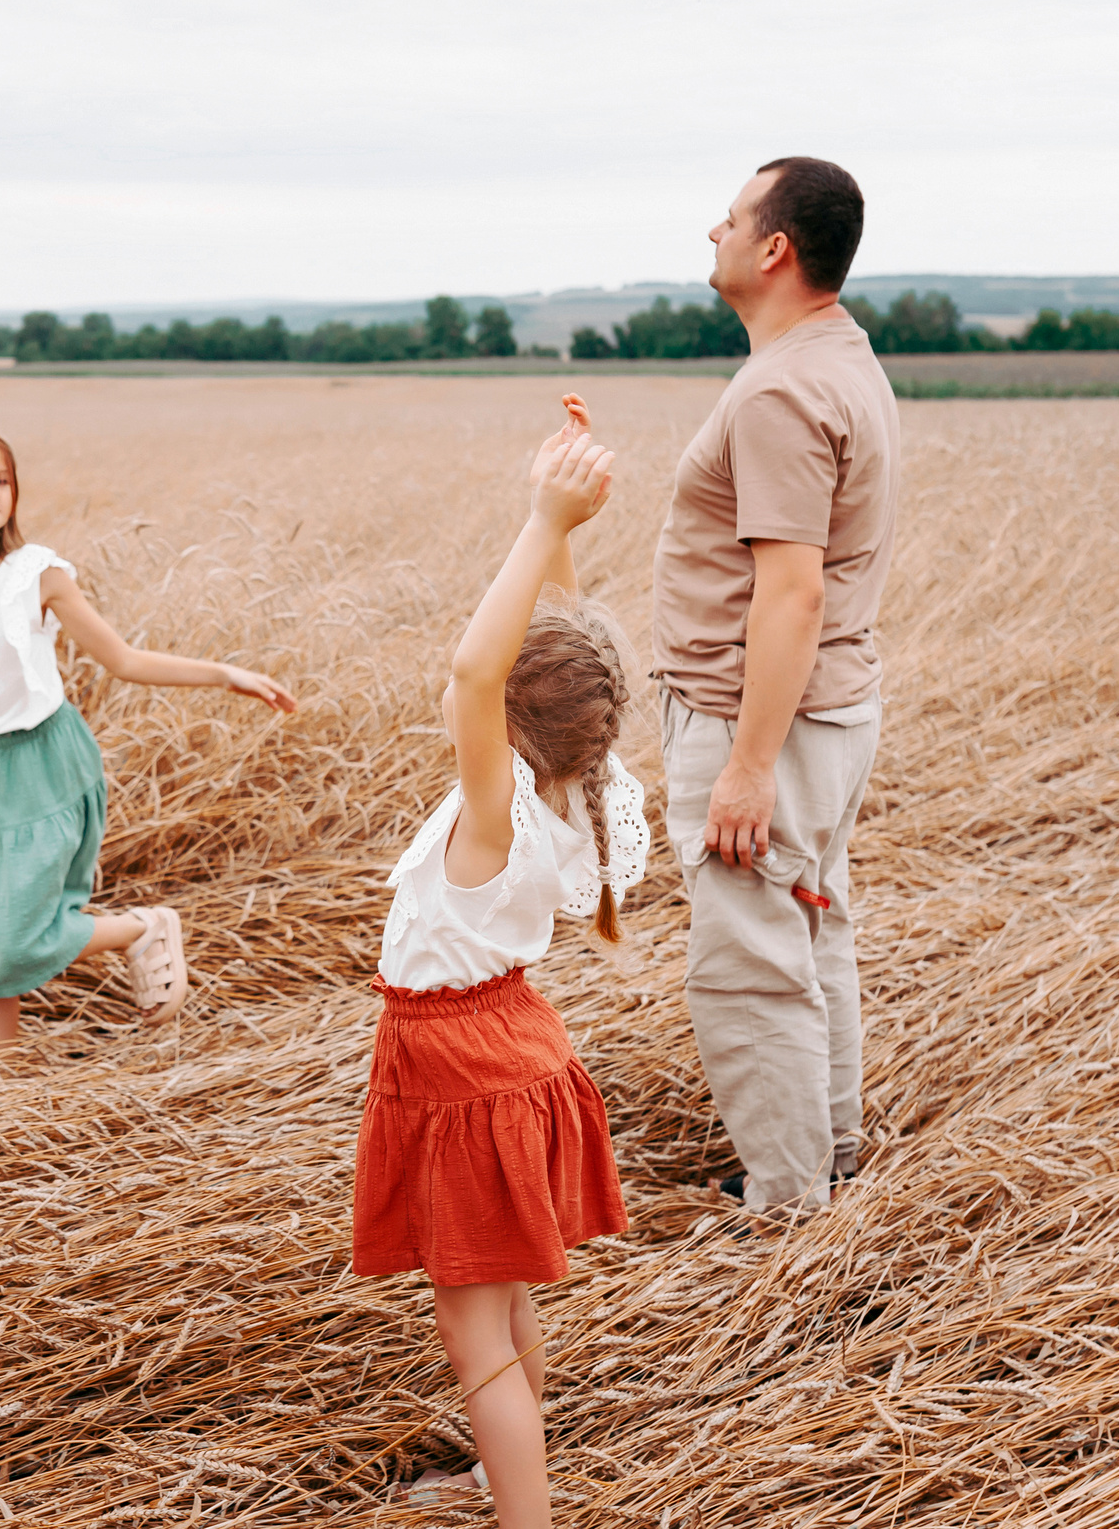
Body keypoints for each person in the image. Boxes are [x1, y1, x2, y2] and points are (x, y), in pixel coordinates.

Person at [350, 407, 644, 1529]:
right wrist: (563, 508)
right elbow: (554, 644)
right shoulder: (576, 787)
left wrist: (540, 517)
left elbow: (476, 668)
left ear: (505, 720)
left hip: (461, 1067)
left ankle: (523, 1514)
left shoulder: (498, 807)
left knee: (473, 1333)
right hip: (511, 1046)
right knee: (504, 1298)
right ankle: (501, 1478)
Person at [0, 412, 298, 1049]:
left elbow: (123, 660)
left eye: (1, 480)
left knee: (18, 937)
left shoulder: (35, 575)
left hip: (47, 764)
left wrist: (224, 675)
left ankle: (141, 928)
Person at [652, 156, 899, 1218]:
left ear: (773, 249)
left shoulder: (785, 388)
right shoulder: (838, 358)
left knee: (750, 962)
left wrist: (745, 769)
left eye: (731, 216)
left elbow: (789, 595)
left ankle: (789, 1208)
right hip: (827, 712)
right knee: (810, 922)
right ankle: (827, 1156)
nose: (711, 228)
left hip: (767, 724)